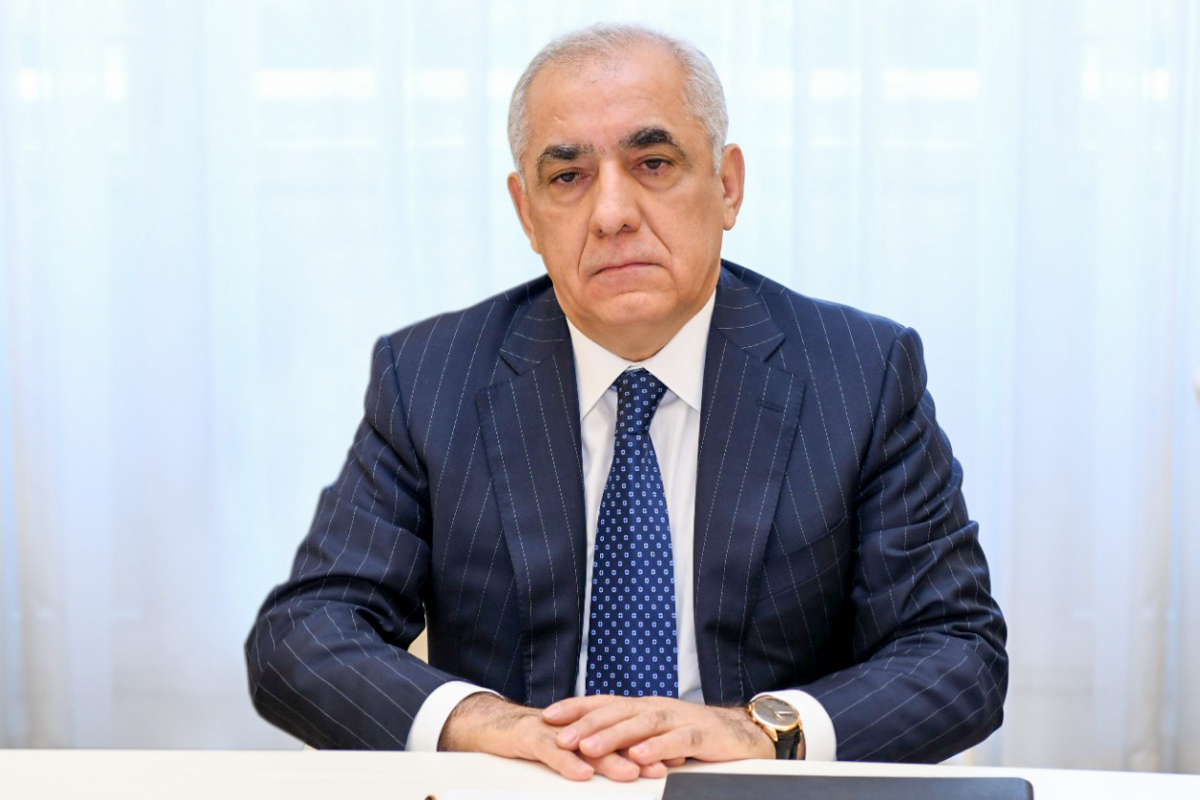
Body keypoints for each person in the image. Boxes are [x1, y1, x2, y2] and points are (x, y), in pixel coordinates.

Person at [245, 22, 1007, 782]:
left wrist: (755, 731)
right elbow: (299, 637)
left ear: (728, 185)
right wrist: (491, 724)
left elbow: (959, 652)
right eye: (568, 177)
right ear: (526, 213)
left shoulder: (860, 375)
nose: (612, 212)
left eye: (653, 163)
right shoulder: (431, 379)